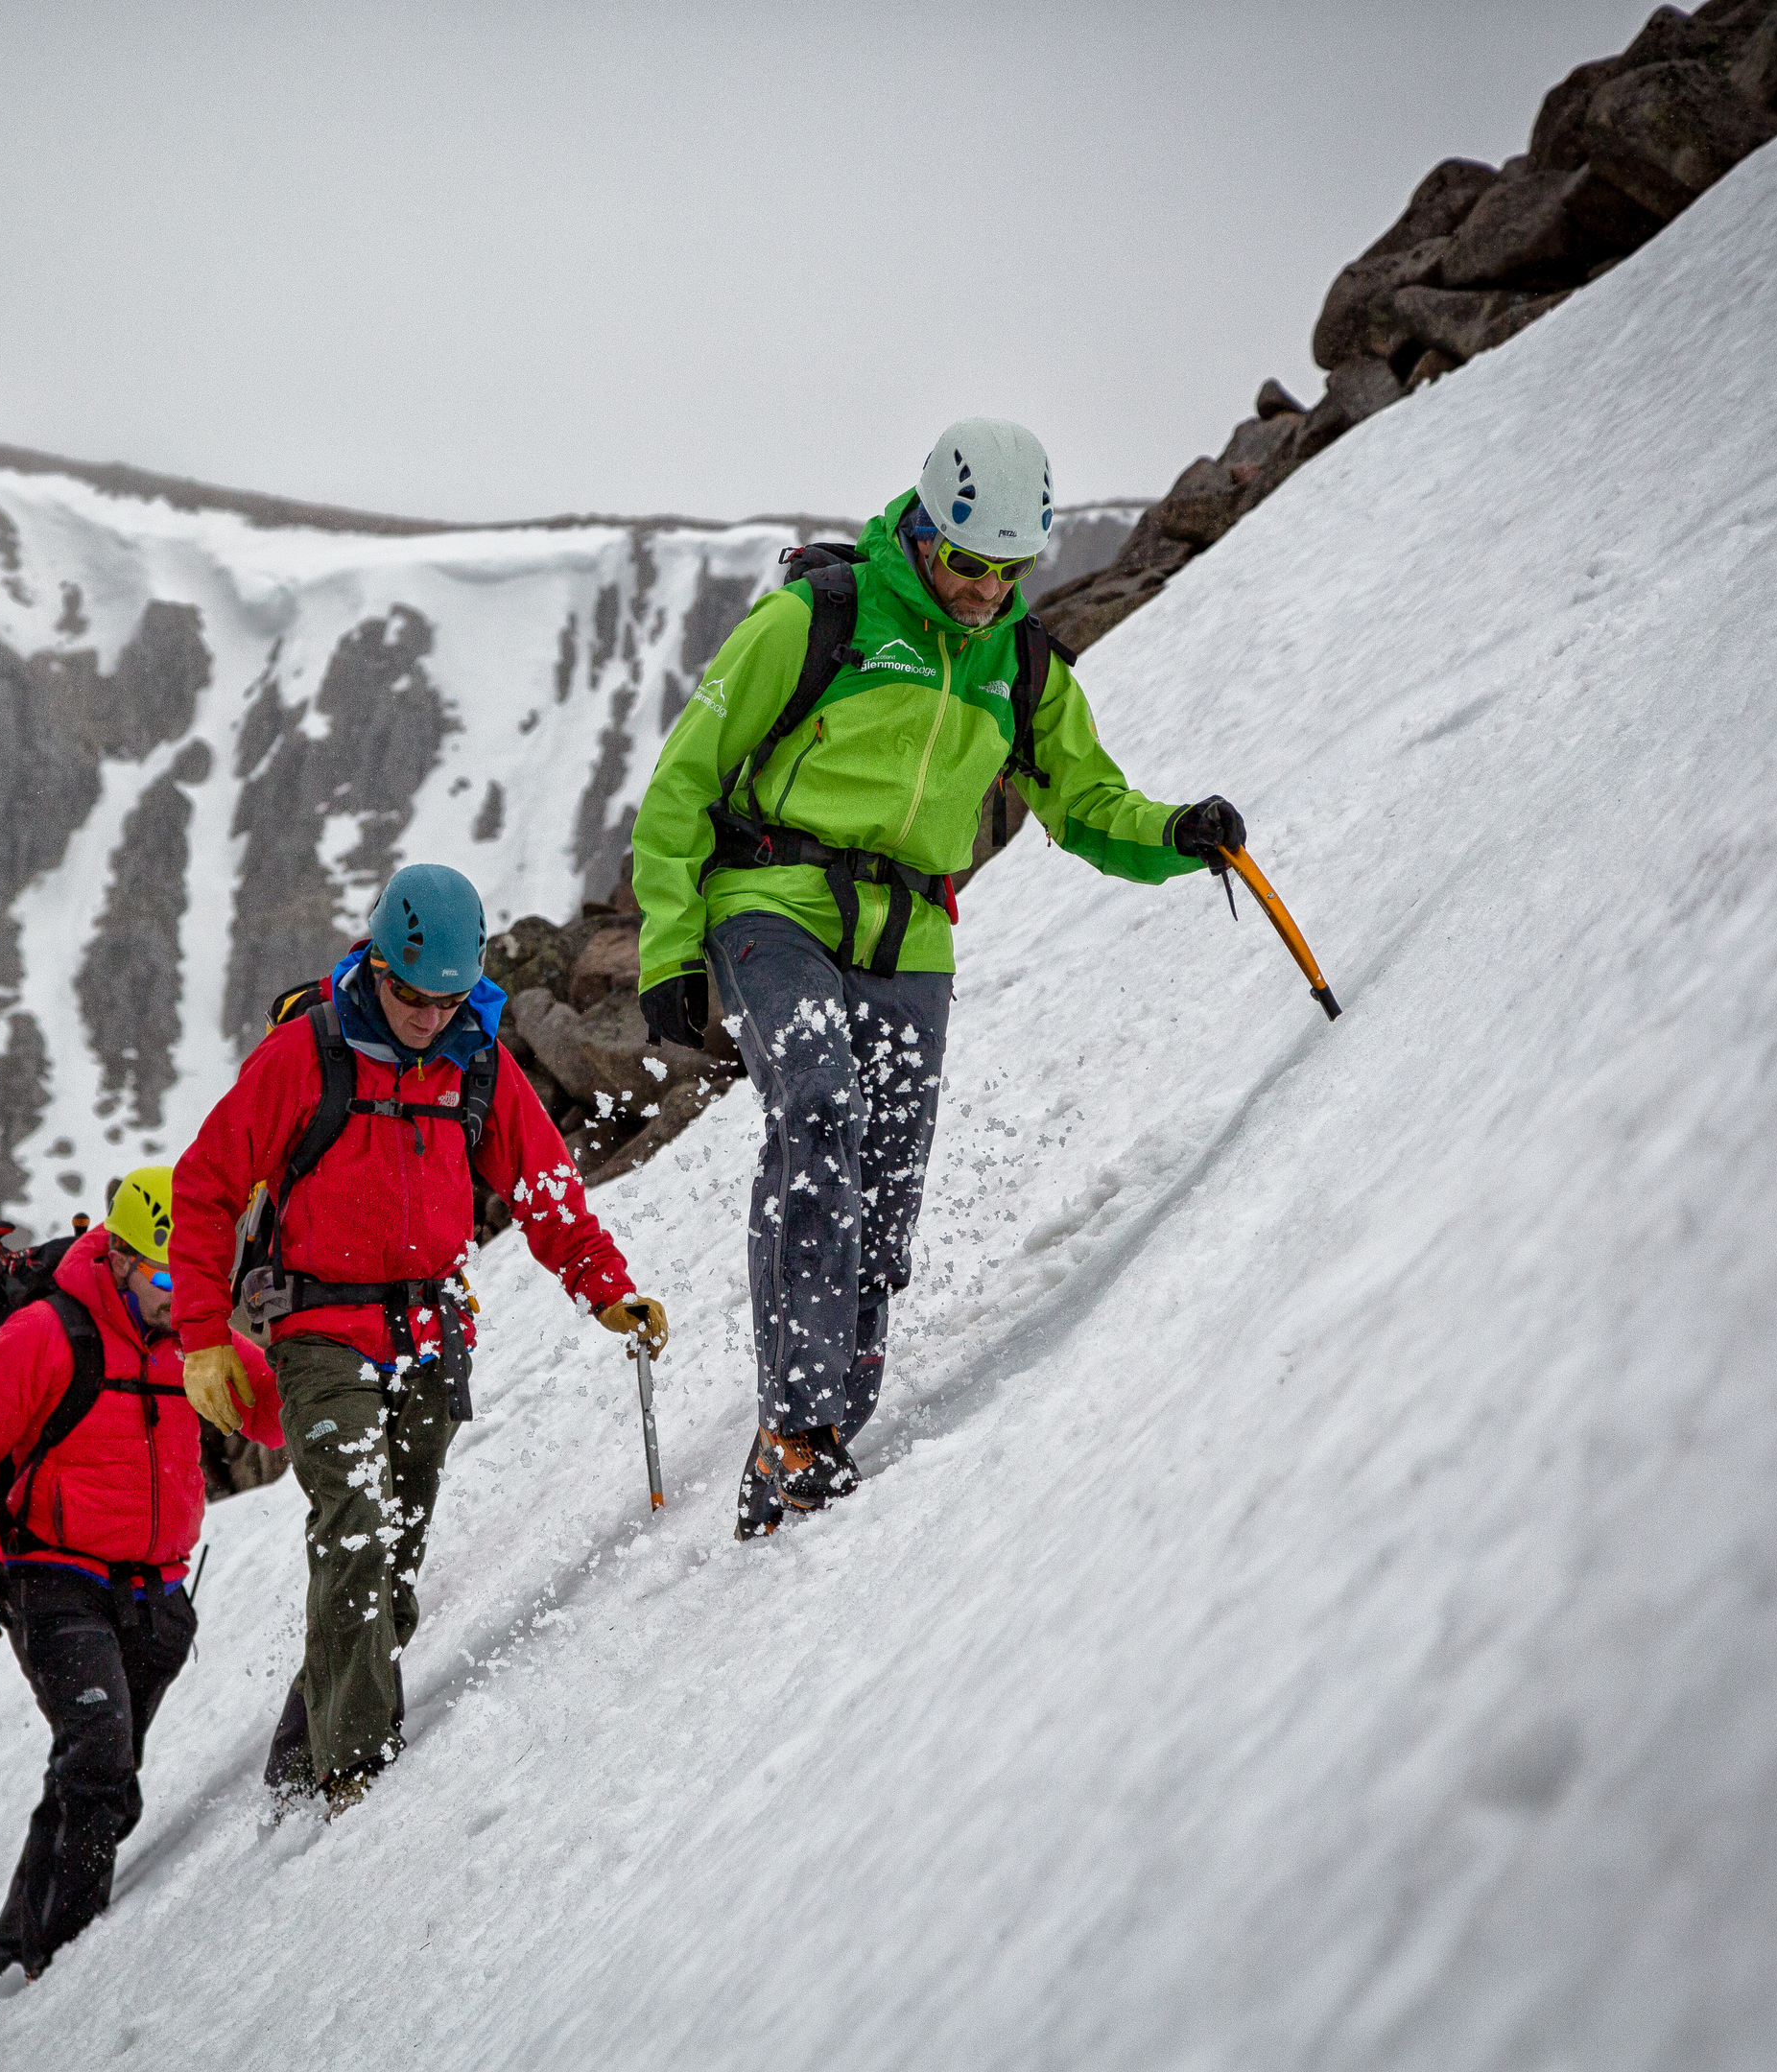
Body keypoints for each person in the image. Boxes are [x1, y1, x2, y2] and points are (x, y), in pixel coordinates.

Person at [629, 417, 1246, 1540]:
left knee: (885, 1196)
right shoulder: (816, 619)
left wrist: (1179, 832)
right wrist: (671, 947)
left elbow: (1088, 804)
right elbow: (683, 782)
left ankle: (820, 1449)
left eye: (1010, 570)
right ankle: (796, 1427)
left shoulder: (1020, 659)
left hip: (910, 933)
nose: (984, 589)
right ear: (923, 528)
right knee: (817, 1106)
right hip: (773, 902)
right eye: (968, 562)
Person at [171, 862, 669, 1812]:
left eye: (446, 1000)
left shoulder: (477, 1055)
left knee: (393, 1551)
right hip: (320, 1334)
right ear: (379, 966)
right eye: (411, 997)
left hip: (432, 1332)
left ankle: (302, 1740)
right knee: (355, 1527)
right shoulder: (306, 1053)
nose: (429, 1018)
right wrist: (202, 1335)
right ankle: (353, 1770)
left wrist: (608, 1290)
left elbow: (545, 1185)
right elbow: (204, 1189)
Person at [0, 1165, 282, 1979]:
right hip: (55, 1578)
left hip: (154, 1595)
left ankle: (21, 1944)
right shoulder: (49, 1334)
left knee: (99, 1770)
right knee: (97, 1752)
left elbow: (270, 1416)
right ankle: (67, 1960)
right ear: (120, 1258)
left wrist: (313, 1366)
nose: (181, 1291)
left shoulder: (198, 1332)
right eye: (165, 1273)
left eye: (196, 1272)